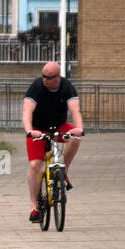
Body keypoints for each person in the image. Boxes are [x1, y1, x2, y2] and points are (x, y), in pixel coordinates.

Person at [23, 61, 83, 223]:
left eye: (49, 77)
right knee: (35, 165)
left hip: (59, 125)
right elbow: (27, 111)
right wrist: (29, 130)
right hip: (38, 128)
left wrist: (78, 128)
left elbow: (74, 110)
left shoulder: (66, 86)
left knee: (75, 138)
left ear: (58, 77)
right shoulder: (37, 86)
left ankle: (64, 173)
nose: (45, 80)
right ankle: (34, 206)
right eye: (43, 76)